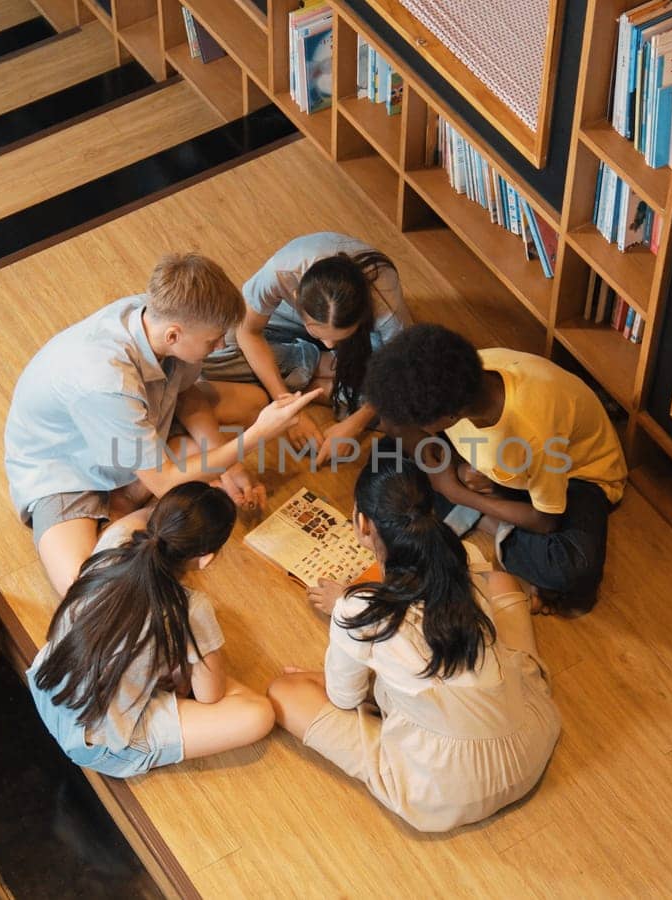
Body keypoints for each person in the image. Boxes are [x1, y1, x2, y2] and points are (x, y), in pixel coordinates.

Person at [267, 460, 561, 833]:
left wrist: (349, 608)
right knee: (503, 586)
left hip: (445, 789)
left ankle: (397, 708)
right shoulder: (461, 557)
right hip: (527, 748)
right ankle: (405, 699)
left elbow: (344, 699)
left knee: (284, 691)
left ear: (362, 524)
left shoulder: (356, 611)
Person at [5, 252, 322, 596]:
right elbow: (163, 481)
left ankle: (130, 500)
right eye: (214, 340)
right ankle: (128, 509)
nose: (220, 347)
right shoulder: (106, 380)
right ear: (174, 335)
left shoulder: (155, 314)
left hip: (136, 433)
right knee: (82, 586)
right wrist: (257, 436)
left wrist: (231, 466)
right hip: (66, 468)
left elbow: (189, 395)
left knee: (252, 406)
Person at [361, 325, 626, 615]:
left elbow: (545, 521)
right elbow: (397, 424)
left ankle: (486, 518)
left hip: (577, 476)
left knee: (572, 569)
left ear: (448, 416)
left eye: (420, 423)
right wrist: (450, 468)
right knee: (387, 457)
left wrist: (459, 493)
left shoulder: (532, 435)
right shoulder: (462, 374)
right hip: (506, 465)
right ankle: (490, 508)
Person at [29, 482, 275, 778]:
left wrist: (186, 504)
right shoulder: (191, 608)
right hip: (96, 743)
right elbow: (210, 695)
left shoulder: (115, 538)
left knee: (163, 659)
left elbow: (144, 516)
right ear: (207, 558)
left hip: (47, 688)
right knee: (258, 714)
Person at [203, 233, 412, 464]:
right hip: (285, 320)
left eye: (338, 339)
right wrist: (290, 407)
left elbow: (400, 370)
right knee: (220, 345)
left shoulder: (387, 313)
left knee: (404, 398)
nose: (331, 345)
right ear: (295, 297)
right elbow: (247, 331)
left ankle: (325, 376)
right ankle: (323, 373)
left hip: (365, 340)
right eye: (319, 334)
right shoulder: (282, 272)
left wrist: (355, 424)